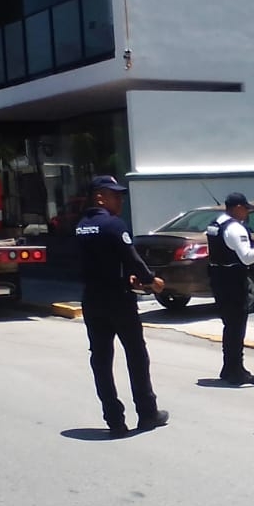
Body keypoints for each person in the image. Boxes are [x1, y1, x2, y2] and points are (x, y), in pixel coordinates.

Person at [74, 175, 169, 437]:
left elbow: (95, 263)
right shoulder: (113, 225)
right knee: (136, 355)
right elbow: (132, 259)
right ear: (99, 197)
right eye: (115, 195)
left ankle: (114, 420)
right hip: (118, 299)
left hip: (92, 300)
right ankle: (148, 414)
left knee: (101, 360)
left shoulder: (81, 226)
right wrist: (152, 281)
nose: (120, 200)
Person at [206, 191, 254, 386]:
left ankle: (228, 368)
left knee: (229, 326)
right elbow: (247, 257)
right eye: (245, 209)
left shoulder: (215, 223)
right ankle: (237, 371)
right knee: (236, 327)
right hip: (233, 281)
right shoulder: (235, 228)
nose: (247, 214)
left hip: (218, 279)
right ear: (238, 208)